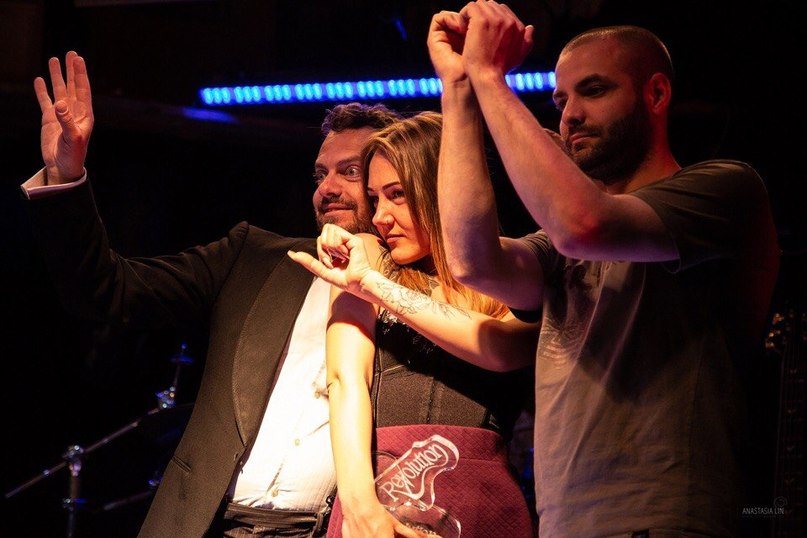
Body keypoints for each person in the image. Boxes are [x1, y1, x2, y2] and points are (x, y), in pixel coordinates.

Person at [428, 2, 780, 536]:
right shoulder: (559, 243)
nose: (569, 115)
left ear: (655, 94)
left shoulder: (726, 188)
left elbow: (584, 224)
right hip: (566, 521)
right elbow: (472, 263)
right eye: (560, 100)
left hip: (667, 519)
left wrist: (490, 76)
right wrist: (459, 89)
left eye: (593, 91)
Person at [21, 51, 402, 537]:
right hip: (208, 524)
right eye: (319, 174)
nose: (326, 188)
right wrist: (65, 176)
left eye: (349, 172)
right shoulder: (252, 257)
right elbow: (104, 290)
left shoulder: (427, 297)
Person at [288, 111, 538, 538]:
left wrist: (376, 288)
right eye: (375, 198)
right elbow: (345, 380)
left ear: (443, 189)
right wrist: (360, 507)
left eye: (397, 195)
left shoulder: (512, 269)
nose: (380, 216)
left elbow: (502, 348)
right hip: (381, 494)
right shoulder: (369, 253)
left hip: (484, 498)